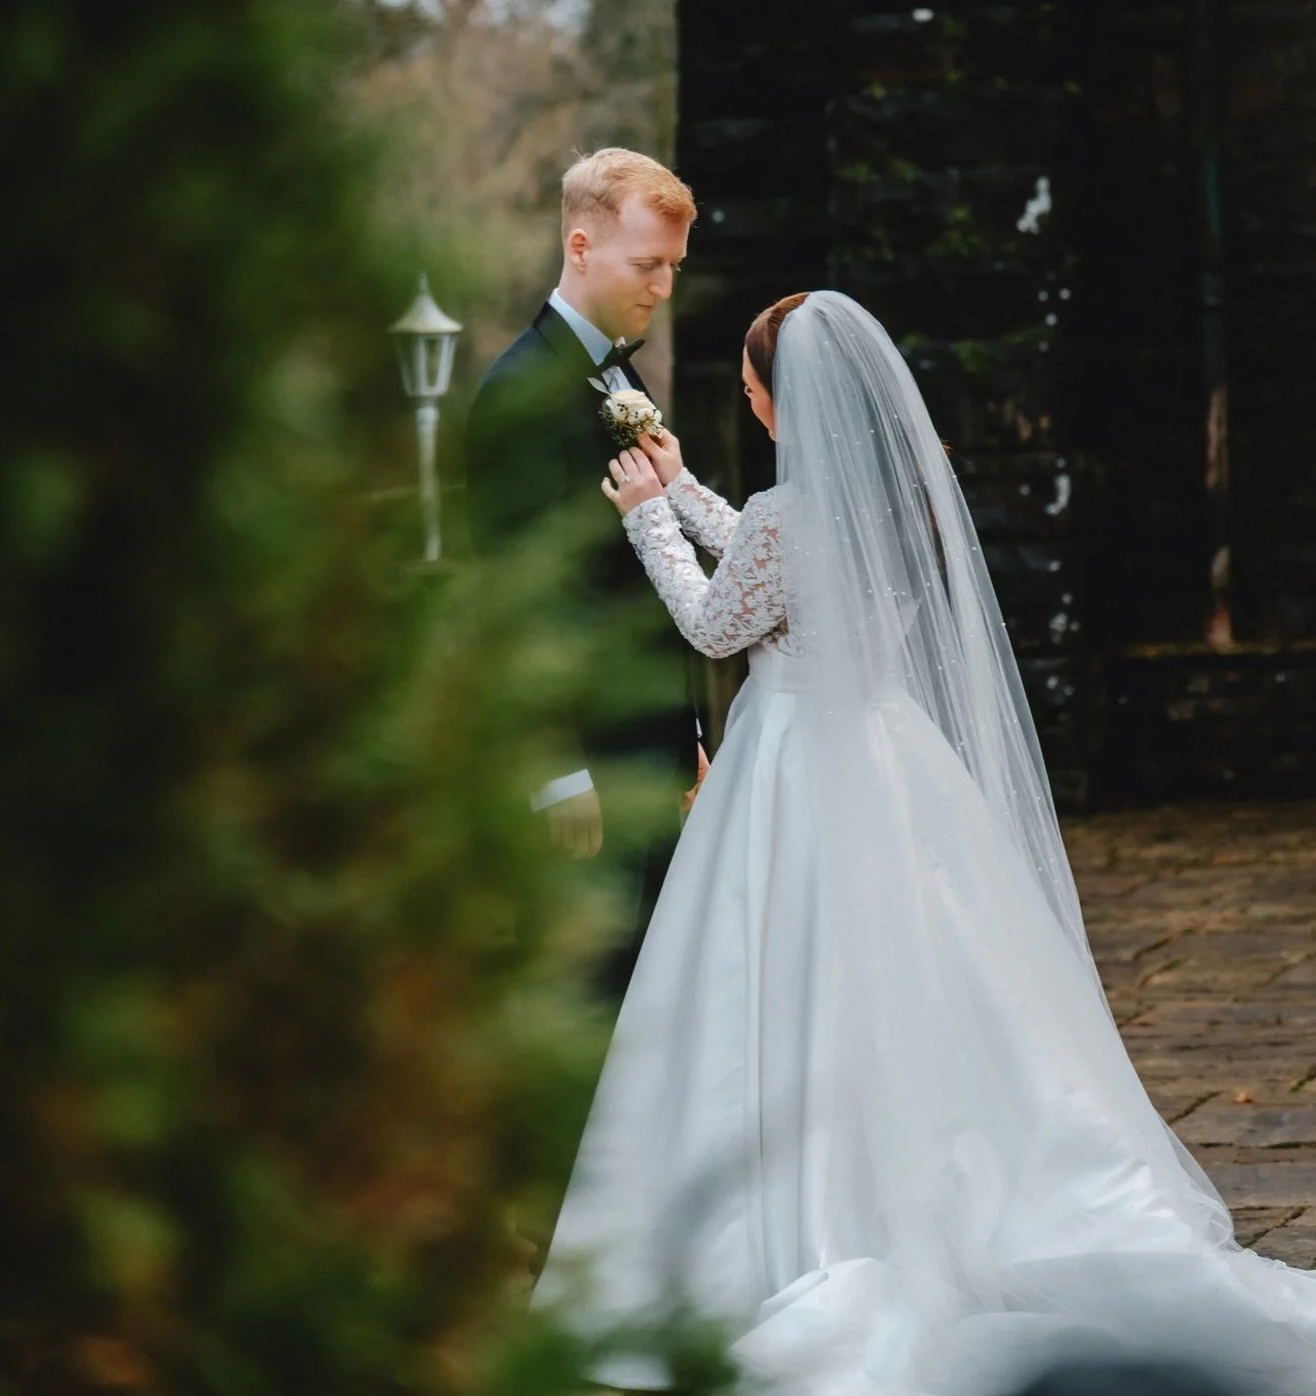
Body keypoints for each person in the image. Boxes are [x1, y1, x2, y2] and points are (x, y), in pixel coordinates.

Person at [534, 290, 1316, 1395]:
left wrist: (646, 513)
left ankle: (805, 1208)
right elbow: (781, 560)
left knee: (790, 979)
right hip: (887, 755)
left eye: (755, 382)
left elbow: (719, 620)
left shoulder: (789, 517)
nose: (748, 395)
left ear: (776, 397)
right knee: (933, 970)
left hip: (797, 766)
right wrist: (691, 489)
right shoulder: (895, 501)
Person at [465, 148, 706, 995]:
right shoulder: (518, 394)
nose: (662, 289)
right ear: (579, 246)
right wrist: (555, 772)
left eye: (673, 268)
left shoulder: (616, 374)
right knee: (589, 1002)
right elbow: (514, 599)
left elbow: (637, 578)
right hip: (586, 773)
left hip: (651, 758)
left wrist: (690, 738)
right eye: (648, 265)